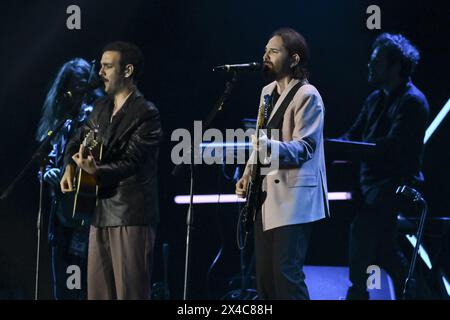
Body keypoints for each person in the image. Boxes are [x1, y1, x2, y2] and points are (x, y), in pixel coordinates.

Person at [60, 41, 162, 300]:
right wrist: (70, 167)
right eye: (101, 66)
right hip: (100, 213)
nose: (100, 73)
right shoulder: (100, 108)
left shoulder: (146, 113)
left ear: (127, 70)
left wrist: (97, 169)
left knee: (130, 293)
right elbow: (77, 138)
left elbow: (132, 162)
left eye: (107, 66)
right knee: (98, 293)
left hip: (130, 214)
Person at [235, 28, 329, 300]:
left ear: (294, 59)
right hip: (266, 197)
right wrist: (247, 173)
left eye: (274, 51)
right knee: (264, 278)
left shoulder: (308, 95)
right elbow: (261, 138)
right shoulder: (266, 92)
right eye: (265, 50)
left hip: (294, 199)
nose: (266, 56)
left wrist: (266, 147)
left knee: (285, 274)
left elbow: (305, 147)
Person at [340, 33, 430, 300]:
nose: (369, 65)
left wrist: (346, 149)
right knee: (385, 250)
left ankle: (358, 293)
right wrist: (322, 147)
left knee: (365, 231)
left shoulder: (413, 102)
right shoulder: (375, 99)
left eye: (376, 61)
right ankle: (415, 294)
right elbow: (353, 136)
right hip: (373, 189)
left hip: (398, 187)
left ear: (395, 66)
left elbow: (392, 149)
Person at [36, 58, 102, 299]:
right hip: (62, 220)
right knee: (63, 291)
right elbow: (47, 163)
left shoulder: (98, 119)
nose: (73, 95)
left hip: (90, 221)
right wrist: (47, 173)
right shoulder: (61, 124)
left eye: (80, 87)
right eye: (69, 89)